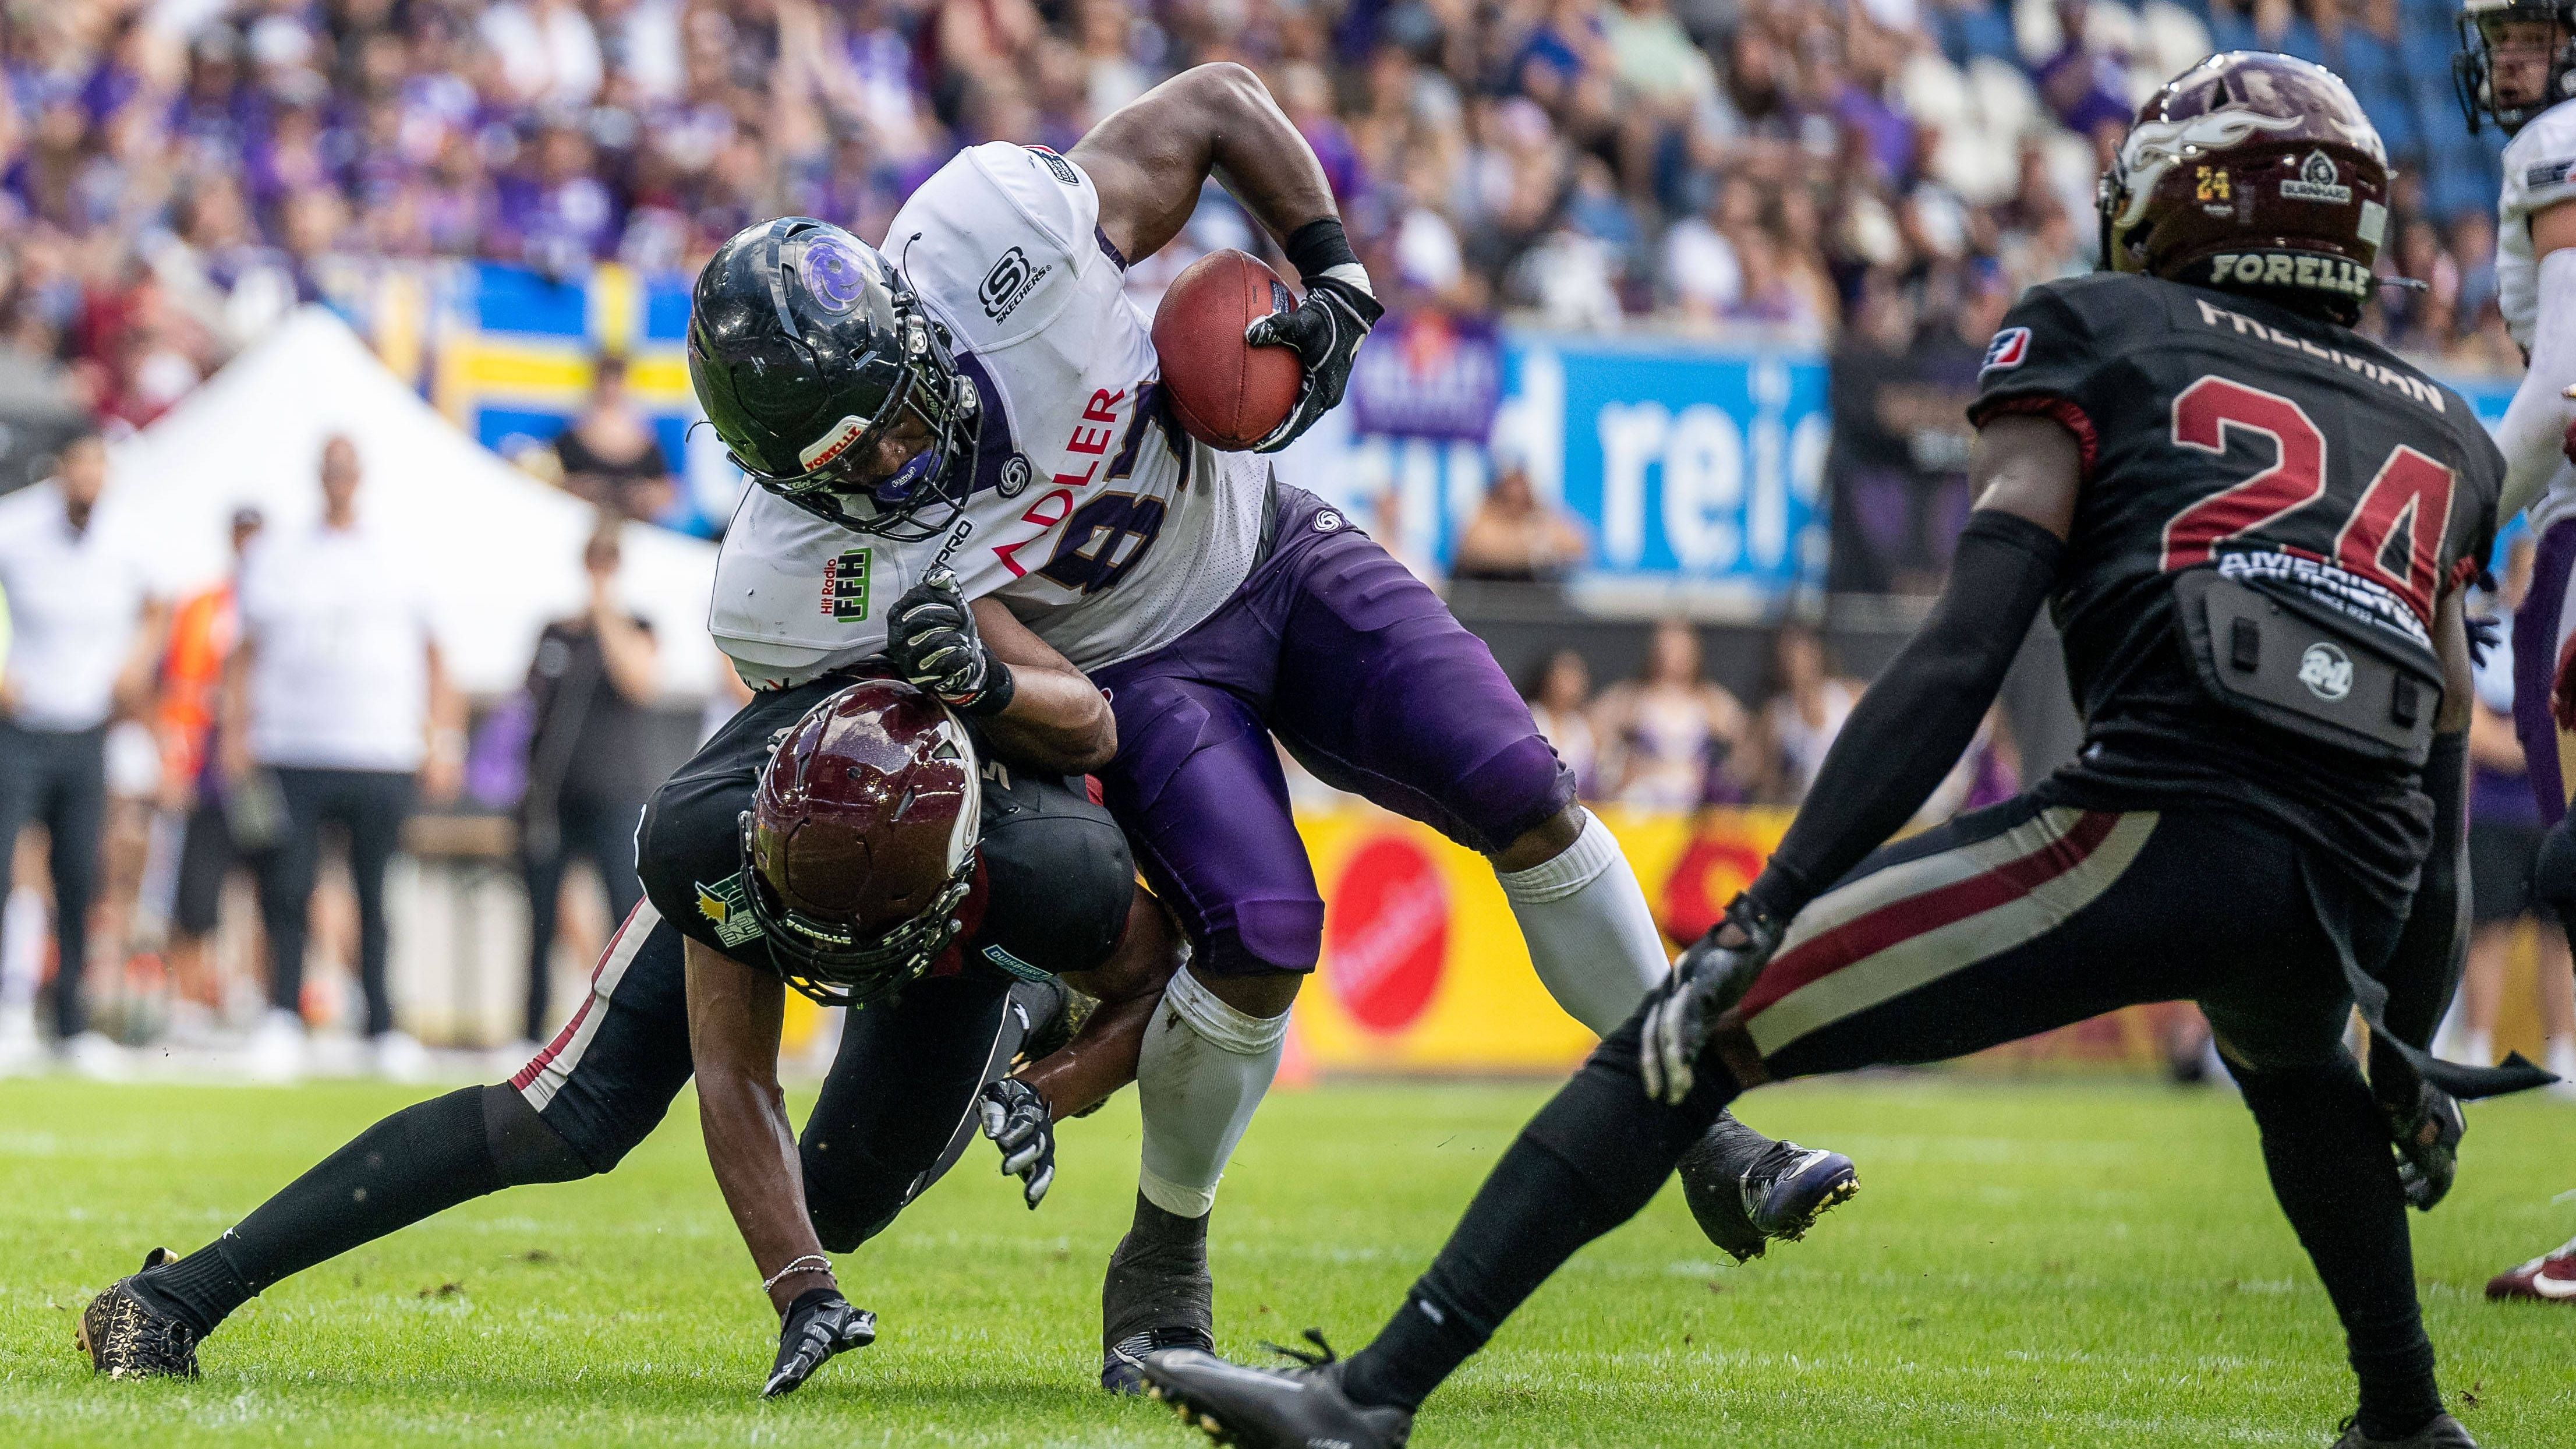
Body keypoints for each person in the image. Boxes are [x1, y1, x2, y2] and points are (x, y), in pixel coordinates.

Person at [1140, 55, 2545, 1449]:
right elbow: (2423, 775)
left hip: (2151, 828)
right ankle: (2410, 1413)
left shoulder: (2104, 333)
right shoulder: (2446, 436)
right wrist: (2409, 1044)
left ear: (2189, 201)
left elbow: (1960, 652)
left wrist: (1774, 899)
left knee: (1688, 1035)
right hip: (2345, 883)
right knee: (2300, 1057)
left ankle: (1364, 1399)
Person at [680, 63, 1856, 1390]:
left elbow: (1219, 106)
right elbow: (1007, 711)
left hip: (1269, 550)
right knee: (1260, 937)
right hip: (1137, 681)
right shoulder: (795, 576)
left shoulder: (993, 234)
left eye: (898, 405)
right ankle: (1162, 1267)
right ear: (791, 481)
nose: (902, 455)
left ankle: (1700, 1128)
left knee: (1526, 785)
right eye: (858, 460)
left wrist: (1335, 277)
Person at [75, 651, 1181, 1392]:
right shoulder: (716, 833)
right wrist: (797, 1290)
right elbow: (733, 1073)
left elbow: (1157, 978)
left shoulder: (1059, 870)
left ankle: (1021, 992)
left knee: (838, 1201)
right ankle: (177, 1296)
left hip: (963, 943)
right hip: (787, 870)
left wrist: (1053, 1081)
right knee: (566, 1115)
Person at [224, 434, 463, 1081]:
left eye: (347, 469)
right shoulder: (276, 555)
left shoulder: (400, 554)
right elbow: (243, 653)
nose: (339, 480)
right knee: (287, 887)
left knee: (375, 890)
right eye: (330, 469)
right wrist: (234, 735)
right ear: (319, 476)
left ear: (360, 477)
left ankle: (383, 1022)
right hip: (293, 746)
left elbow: (439, 658)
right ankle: (281, 1013)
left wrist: (443, 739)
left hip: (379, 749)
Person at [2457, 0, 2576, 1305]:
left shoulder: (2559, 139)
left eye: (2535, 32)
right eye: (2498, 35)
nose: (2507, 60)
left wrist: (2461, 519)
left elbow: (2559, 388)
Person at [0, 428, 164, 1074]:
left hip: (85, 727)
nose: (90, 476)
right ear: (61, 468)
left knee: (78, 874)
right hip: (22, 724)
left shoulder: (129, 540)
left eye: (100, 463)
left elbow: (159, 608)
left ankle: (71, 1022)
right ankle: (9, 1006)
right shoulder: (17, 526)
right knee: (6, 867)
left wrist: (134, 668)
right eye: (81, 463)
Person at [513, 518, 659, 1054]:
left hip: (615, 796)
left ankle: (630, 1030)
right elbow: (528, 707)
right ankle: (530, 1027)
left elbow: (639, 682)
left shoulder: (636, 625)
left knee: (625, 912)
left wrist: (604, 611)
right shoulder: (555, 633)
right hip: (553, 798)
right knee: (540, 915)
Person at [155, 506, 263, 1038]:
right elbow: (172, 686)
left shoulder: (284, 606)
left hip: (266, 775)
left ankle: (259, 998)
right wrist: (170, 759)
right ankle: (189, 1005)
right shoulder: (202, 607)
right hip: (207, 771)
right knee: (196, 891)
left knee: (271, 889)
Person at [1593, 617, 1750, 808]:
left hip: (1695, 804)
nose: (1674, 657)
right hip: (1645, 801)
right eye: (1668, 649)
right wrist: (1621, 768)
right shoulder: (1633, 699)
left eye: (1681, 650)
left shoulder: (1711, 702)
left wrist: (1720, 774)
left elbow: (1748, 747)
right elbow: (1592, 734)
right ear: (1655, 652)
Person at [552, 355, 678, 526]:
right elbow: (552, 481)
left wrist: (643, 496)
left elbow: (667, 490)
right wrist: (584, 488)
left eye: (616, 382)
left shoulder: (646, 440)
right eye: (606, 382)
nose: (610, 390)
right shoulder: (572, 437)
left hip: (635, 532)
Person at [1449, 460, 1589, 582]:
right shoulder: (1479, 515)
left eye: (1522, 497)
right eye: (1509, 497)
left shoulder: (1540, 518)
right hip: (1484, 601)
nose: (1516, 502)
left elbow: (1578, 545)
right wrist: (1536, 546)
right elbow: (1478, 547)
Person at [1521, 649, 1600, 799]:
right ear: (1547, 679)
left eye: (1576, 678)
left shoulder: (1581, 727)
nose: (1571, 686)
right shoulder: (1532, 717)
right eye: (1565, 677)